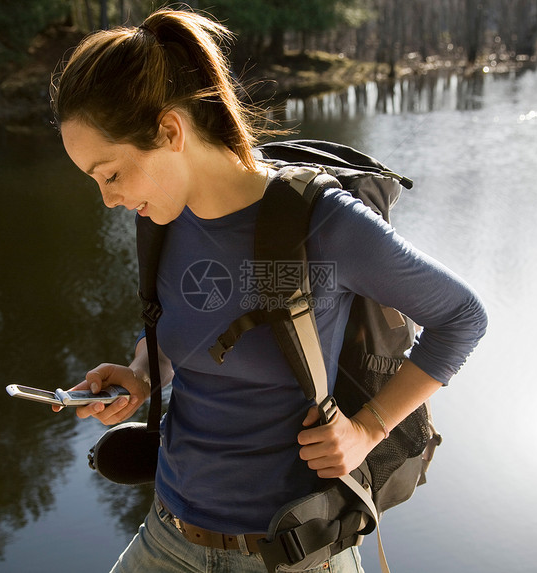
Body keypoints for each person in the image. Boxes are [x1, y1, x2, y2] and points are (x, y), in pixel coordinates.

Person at [49, 7, 487, 573]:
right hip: (169, 535)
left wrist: (368, 431)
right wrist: (141, 369)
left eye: (110, 174)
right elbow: (179, 323)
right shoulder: (160, 219)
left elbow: (462, 317)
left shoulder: (323, 225)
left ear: (169, 131)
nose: (108, 199)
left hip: (291, 553)